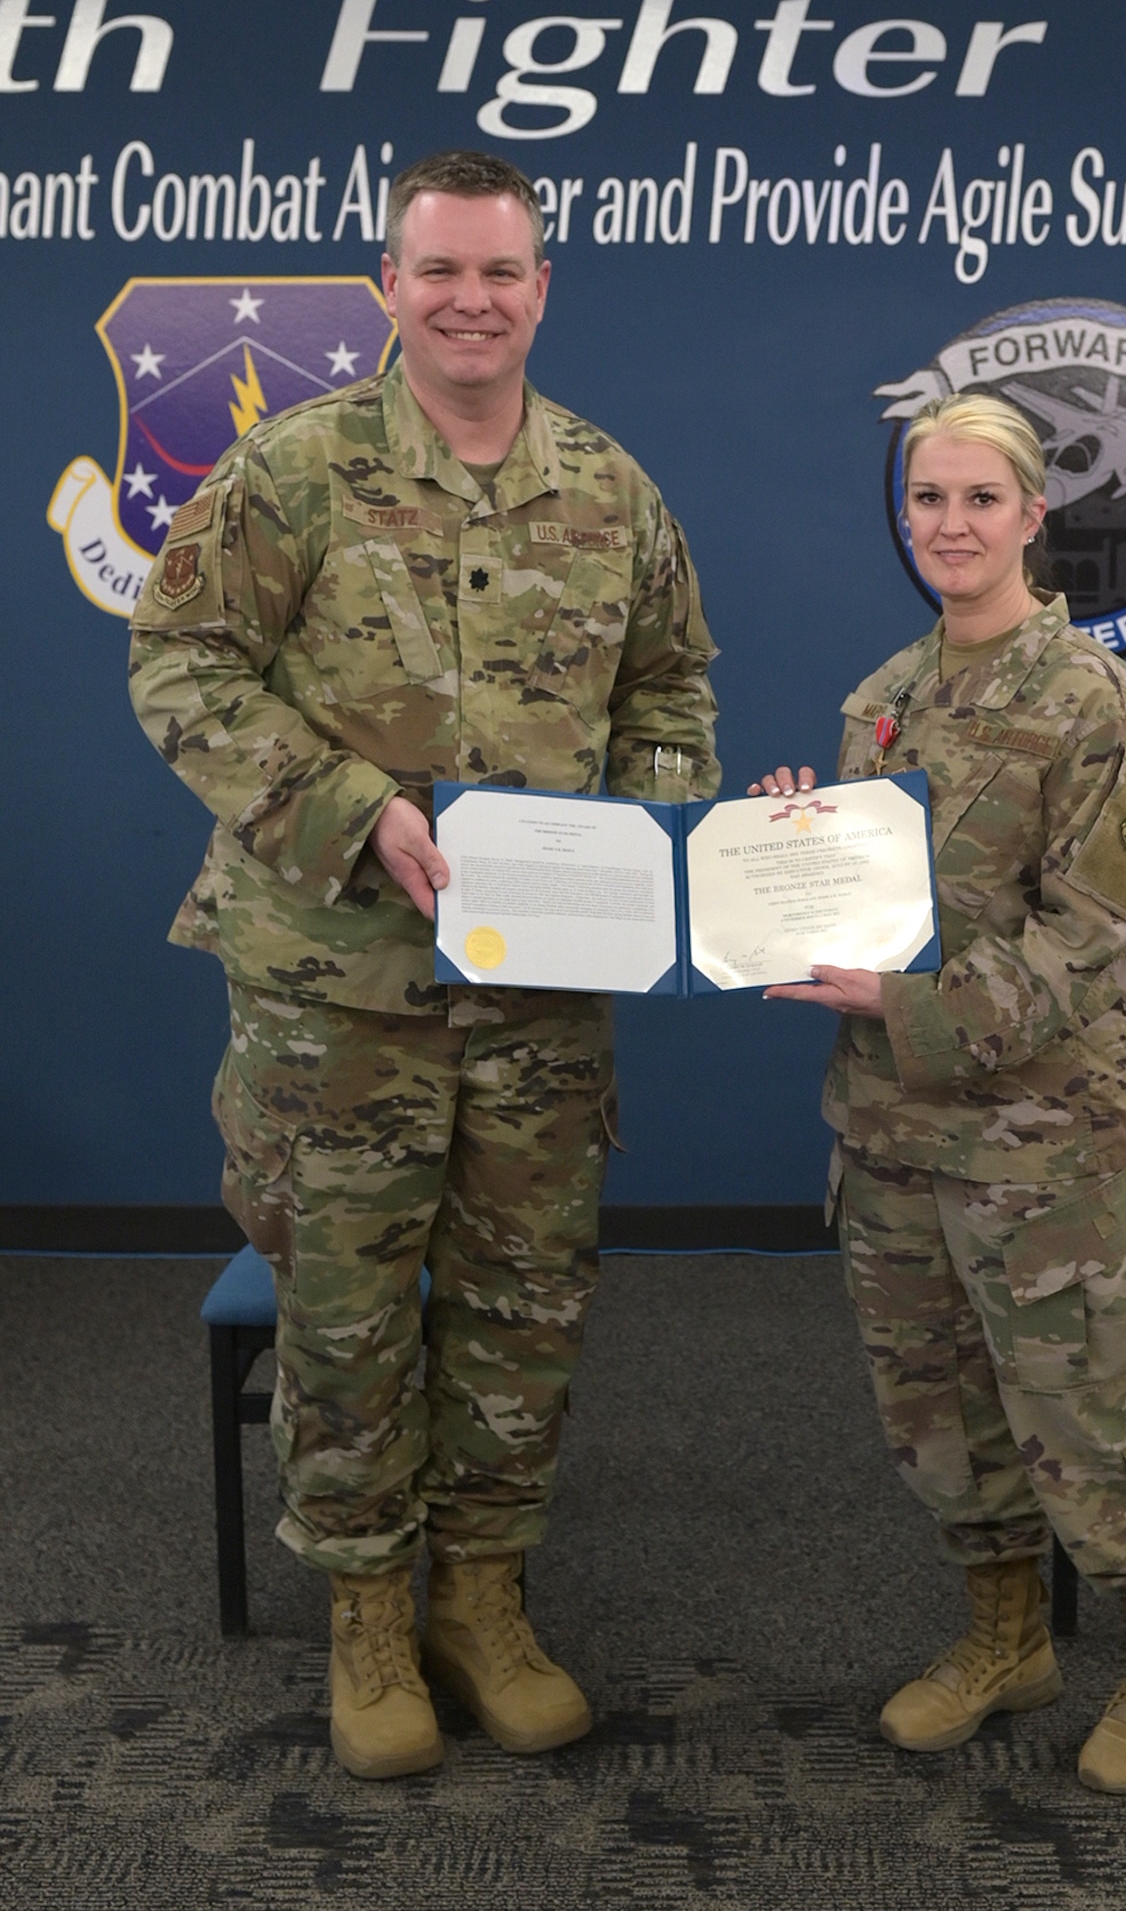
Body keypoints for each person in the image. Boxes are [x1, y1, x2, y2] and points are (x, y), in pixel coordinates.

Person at [129, 151, 719, 1780]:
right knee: (343, 1312)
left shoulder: (611, 489)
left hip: (542, 997)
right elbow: (176, 663)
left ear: (543, 289)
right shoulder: (294, 473)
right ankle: (369, 1612)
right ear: (387, 285)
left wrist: (660, 848)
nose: (471, 299)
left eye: (501, 272)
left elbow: (670, 696)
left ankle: (481, 1594)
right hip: (338, 994)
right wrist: (349, 808)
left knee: (528, 1309)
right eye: (439, 270)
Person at [751, 391, 1126, 1795]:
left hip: (1042, 1155)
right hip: (891, 1133)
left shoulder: (1098, 709)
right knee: (939, 1414)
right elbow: (869, 904)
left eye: (976, 499)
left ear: (1033, 515)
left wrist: (901, 1006)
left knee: (1088, 1412)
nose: (946, 524)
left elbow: (1094, 941)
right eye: (925, 499)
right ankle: (1005, 1633)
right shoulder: (883, 700)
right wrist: (788, 854)